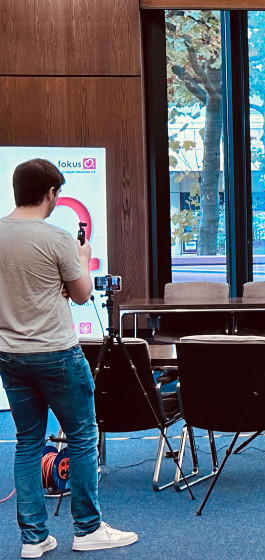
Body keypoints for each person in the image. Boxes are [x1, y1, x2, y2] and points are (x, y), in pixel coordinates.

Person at [0, 159, 138, 558]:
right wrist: (82, 260)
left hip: (10, 355)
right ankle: (88, 529)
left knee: (27, 442)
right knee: (81, 437)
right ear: (50, 194)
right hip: (57, 353)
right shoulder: (57, 239)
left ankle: (33, 540)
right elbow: (81, 295)